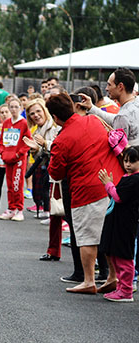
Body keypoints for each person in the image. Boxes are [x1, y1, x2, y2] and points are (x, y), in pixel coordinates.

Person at [46, 93, 123, 294]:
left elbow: (56, 172)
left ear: (55, 117)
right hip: (114, 183)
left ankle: (89, 280)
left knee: (88, 238)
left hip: (88, 190)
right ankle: (113, 277)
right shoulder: (94, 120)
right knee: (109, 235)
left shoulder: (61, 140)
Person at [97, 146, 139, 302]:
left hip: (126, 224)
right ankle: (121, 287)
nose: (128, 165)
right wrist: (110, 186)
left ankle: (127, 291)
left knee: (124, 256)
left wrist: (108, 184)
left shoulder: (135, 179)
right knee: (114, 254)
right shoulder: (128, 177)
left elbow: (119, 197)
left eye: (133, 161)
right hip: (116, 221)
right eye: (126, 161)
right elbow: (115, 195)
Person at [22, 100, 61, 260]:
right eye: (32, 113)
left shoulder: (54, 128)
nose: (36, 115)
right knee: (55, 215)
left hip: (60, 175)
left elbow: (58, 150)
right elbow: (42, 155)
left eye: (38, 111)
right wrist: (36, 149)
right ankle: (53, 251)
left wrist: (43, 146)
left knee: (60, 214)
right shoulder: (38, 130)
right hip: (49, 172)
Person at [77, 68, 139, 146]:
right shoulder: (134, 104)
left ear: (120, 86)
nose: (106, 88)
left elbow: (118, 150)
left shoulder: (123, 116)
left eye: (109, 85)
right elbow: (114, 119)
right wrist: (91, 107)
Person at [0, 96, 32, 221]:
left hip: (18, 160)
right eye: (11, 107)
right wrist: (2, 152)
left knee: (17, 185)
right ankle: (11, 208)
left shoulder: (24, 123)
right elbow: (2, 140)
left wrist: (18, 154)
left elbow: (27, 141)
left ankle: (19, 209)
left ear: (21, 108)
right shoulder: (6, 123)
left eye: (16, 107)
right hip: (7, 158)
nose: (13, 109)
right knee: (10, 185)